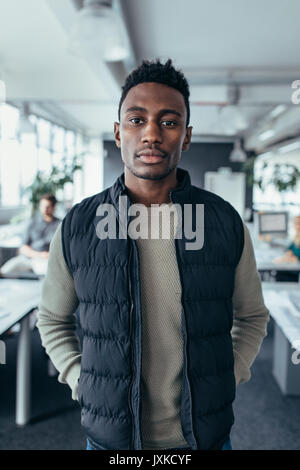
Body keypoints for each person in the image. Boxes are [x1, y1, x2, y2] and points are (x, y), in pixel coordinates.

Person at [36, 59, 270, 451]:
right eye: (136, 120)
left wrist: (228, 373)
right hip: (112, 442)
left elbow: (252, 316)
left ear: (187, 136)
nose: (151, 134)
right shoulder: (79, 225)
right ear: (117, 133)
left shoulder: (223, 222)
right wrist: (82, 380)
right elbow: (53, 319)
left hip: (204, 438)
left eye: (168, 121)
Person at [0, 193, 60, 275]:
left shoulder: (59, 225)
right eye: (42, 206)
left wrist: (47, 256)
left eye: (48, 207)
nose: (44, 209)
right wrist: (38, 255)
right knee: (5, 270)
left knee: (45, 274)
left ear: (54, 207)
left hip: (45, 261)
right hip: (28, 258)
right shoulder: (32, 223)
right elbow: (23, 248)